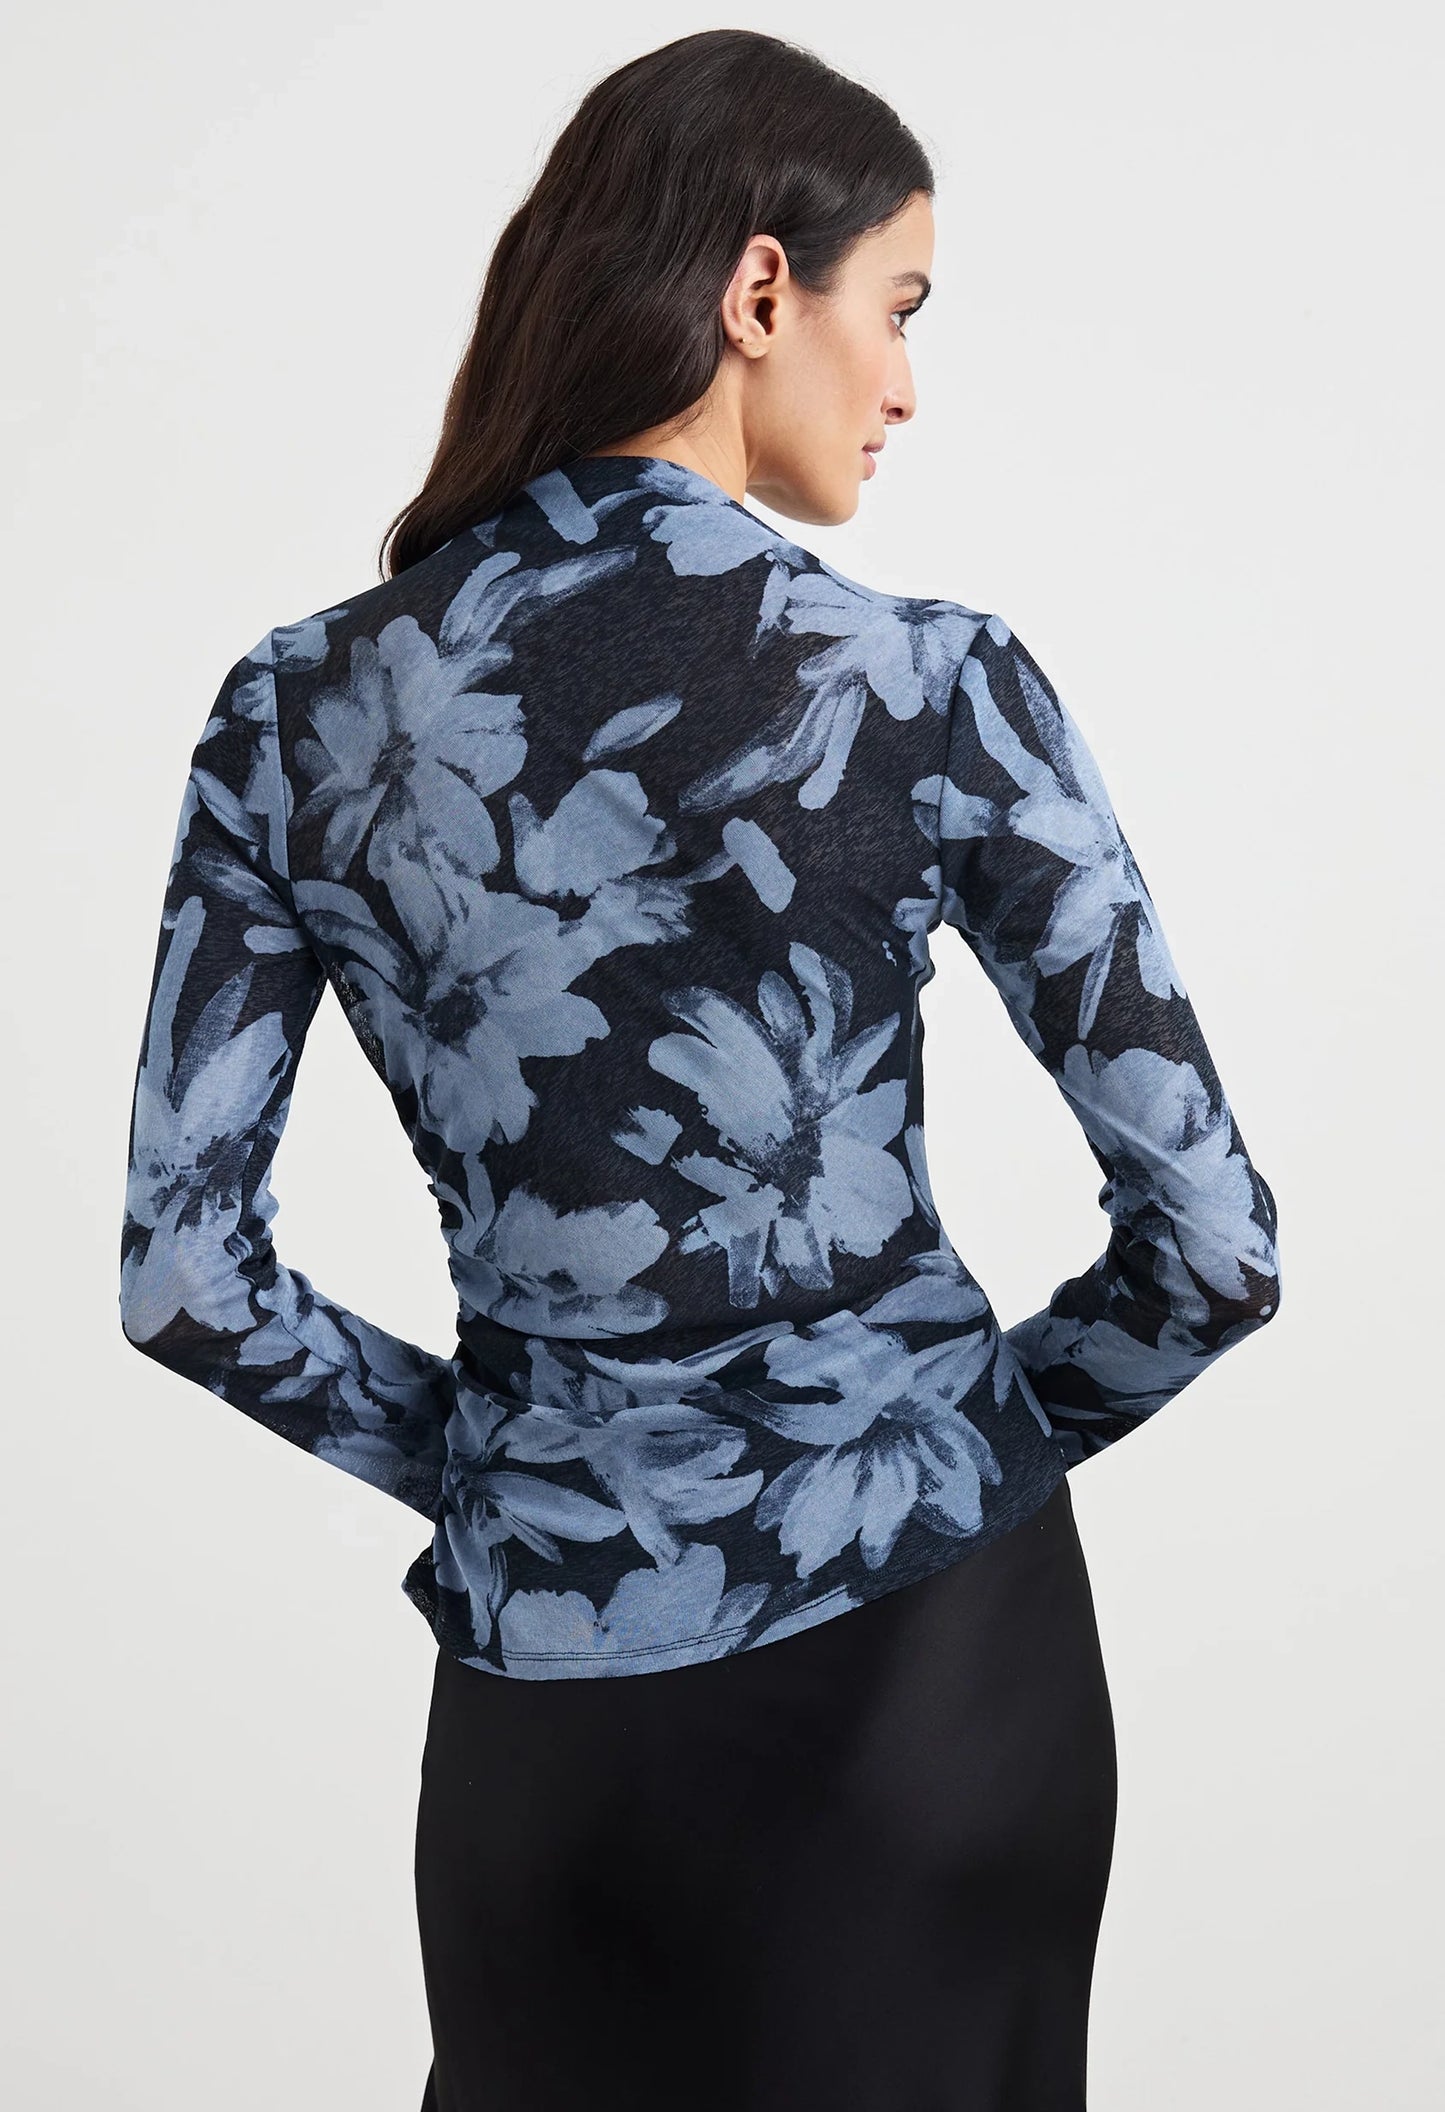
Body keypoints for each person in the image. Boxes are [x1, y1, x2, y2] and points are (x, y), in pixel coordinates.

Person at [118, 27, 1281, 2111]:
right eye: (898, 307)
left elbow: (185, 1281)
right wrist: (922, 1440)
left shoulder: (292, 715)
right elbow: (1215, 1247)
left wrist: (516, 1471)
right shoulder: (925, 685)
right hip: (927, 1678)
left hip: (544, 1710)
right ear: (761, 292)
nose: (907, 383)